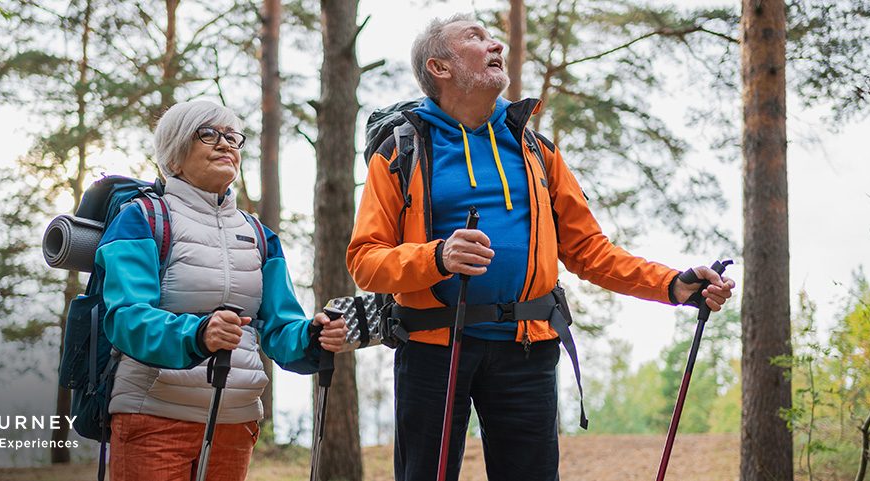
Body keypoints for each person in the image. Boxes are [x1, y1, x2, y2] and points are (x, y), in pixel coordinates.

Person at [346, 14, 736, 481]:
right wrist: (437, 257)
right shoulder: (400, 150)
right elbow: (365, 261)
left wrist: (671, 284)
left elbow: (589, 250)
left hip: (528, 349)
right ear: (440, 67)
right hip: (433, 349)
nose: (496, 45)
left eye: (494, 36)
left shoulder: (535, 149)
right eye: (476, 38)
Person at [94, 100, 347, 481]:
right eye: (208, 134)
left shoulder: (260, 237)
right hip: (154, 416)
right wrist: (198, 334)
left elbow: (279, 329)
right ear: (175, 157)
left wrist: (312, 336)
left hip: (234, 422)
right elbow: (126, 318)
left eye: (232, 137)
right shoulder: (141, 219)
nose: (226, 144)